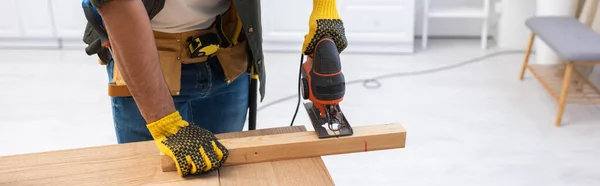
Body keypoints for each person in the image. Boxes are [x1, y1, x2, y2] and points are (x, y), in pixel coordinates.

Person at [82, 0, 348, 177]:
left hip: (226, 57)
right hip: (146, 63)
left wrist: (324, 13)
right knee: (151, 178)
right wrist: (163, 122)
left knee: (225, 175)